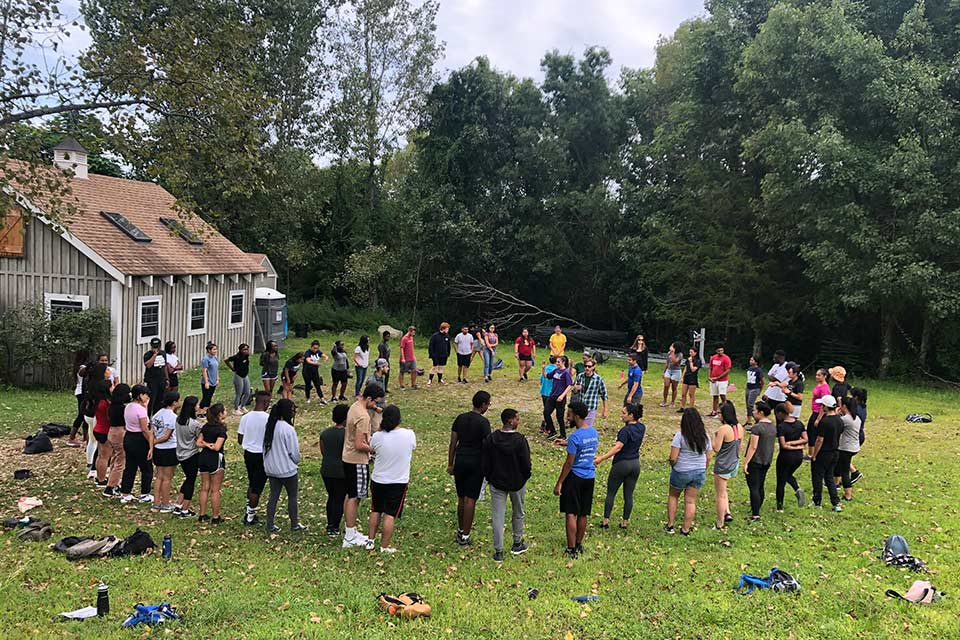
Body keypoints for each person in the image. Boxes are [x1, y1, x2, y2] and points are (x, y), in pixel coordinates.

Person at [481, 408, 531, 562]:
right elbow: (526, 464)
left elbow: (485, 461)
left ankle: (499, 551)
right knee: (518, 512)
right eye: (517, 418)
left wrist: (490, 477)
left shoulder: (492, 438)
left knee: (498, 517)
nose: (518, 421)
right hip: (517, 482)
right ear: (510, 420)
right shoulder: (520, 440)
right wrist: (524, 477)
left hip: (497, 482)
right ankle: (517, 543)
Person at [366, 405, 417, 552]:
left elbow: (373, 447)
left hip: (378, 479)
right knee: (390, 514)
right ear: (399, 419)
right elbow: (413, 447)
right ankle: (384, 546)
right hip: (398, 481)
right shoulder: (409, 435)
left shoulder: (377, 436)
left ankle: (370, 541)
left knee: (376, 510)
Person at [341, 383, 384, 548]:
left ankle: (350, 531)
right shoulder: (363, 416)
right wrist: (374, 449)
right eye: (375, 402)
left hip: (348, 457)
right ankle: (350, 538)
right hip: (357, 460)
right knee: (355, 497)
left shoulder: (354, 406)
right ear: (369, 398)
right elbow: (360, 444)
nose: (376, 406)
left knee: (350, 494)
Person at [554, 401, 597, 558]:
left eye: (569, 414)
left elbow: (570, 462)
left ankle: (571, 549)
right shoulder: (593, 432)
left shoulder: (575, 436)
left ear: (577, 416)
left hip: (574, 478)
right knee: (583, 513)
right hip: (589, 477)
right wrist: (567, 443)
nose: (567, 417)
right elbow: (583, 448)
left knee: (571, 513)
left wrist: (560, 482)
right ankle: (579, 544)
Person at [448, 390, 492, 546]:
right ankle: (465, 536)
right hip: (476, 462)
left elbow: (453, 442)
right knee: (470, 499)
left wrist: (450, 463)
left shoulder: (460, 418)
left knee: (461, 498)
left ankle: (460, 529)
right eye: (488, 404)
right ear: (482, 405)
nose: (488, 406)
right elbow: (488, 446)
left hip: (460, 460)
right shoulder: (483, 423)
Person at [594, 403, 645, 530]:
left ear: (631, 416)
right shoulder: (642, 427)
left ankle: (605, 521)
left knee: (611, 493)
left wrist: (601, 458)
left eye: (623, 413)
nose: (621, 415)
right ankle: (625, 522)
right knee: (629, 495)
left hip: (622, 464)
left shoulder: (625, 430)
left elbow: (618, 447)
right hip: (635, 464)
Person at [666, 408, 712, 535]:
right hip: (699, 471)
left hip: (681, 470)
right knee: (690, 500)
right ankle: (685, 529)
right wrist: (703, 468)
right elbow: (708, 457)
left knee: (673, 496)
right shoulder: (705, 436)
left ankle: (670, 525)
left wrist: (673, 466)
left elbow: (673, 457)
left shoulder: (680, 436)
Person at [263, 399, 305, 533]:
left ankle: (270, 524)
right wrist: (296, 461)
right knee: (292, 496)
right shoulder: (288, 429)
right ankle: (294, 524)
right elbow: (293, 452)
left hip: (271, 468)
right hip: (286, 469)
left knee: (273, 495)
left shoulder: (270, 425)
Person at [237, 390, 271, 526]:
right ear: (265, 402)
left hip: (248, 453)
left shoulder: (245, 417)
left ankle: (248, 507)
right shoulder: (268, 419)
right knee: (257, 486)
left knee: (252, 481)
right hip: (261, 455)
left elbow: (240, 439)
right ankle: (250, 516)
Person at [120, 384, 155, 504]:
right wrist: (151, 445)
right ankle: (145, 493)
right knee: (146, 468)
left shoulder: (128, 406)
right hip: (139, 439)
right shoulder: (140, 410)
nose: (147, 397)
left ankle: (125, 493)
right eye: (146, 395)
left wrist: (146, 406)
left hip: (129, 437)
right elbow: (145, 429)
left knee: (130, 467)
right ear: (140, 395)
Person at [742, 401, 777, 521]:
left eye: (755, 410)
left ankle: (755, 514)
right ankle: (757, 507)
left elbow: (753, 446)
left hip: (755, 460)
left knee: (754, 487)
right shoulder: (773, 426)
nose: (753, 412)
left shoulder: (757, 428)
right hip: (766, 460)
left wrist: (746, 462)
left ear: (761, 412)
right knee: (760, 485)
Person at [711, 401, 741, 529]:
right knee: (724, 490)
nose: (718, 415)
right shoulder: (739, 427)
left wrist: (714, 436)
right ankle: (727, 512)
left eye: (719, 413)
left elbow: (716, 448)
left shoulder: (723, 429)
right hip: (734, 462)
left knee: (720, 494)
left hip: (723, 465)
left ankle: (720, 522)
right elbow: (740, 446)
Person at [320, 404, 349, 536]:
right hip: (341, 471)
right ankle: (334, 526)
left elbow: (323, 451)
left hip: (326, 469)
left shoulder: (325, 433)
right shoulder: (347, 435)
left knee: (331, 497)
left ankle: (330, 523)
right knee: (339, 498)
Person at [810, 395, 842, 511]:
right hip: (835, 452)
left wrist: (814, 455)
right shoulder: (839, 420)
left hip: (824, 453)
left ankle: (817, 501)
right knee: (829, 477)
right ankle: (835, 502)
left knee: (817, 476)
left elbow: (820, 440)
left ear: (826, 407)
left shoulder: (825, 422)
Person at [197, 403, 227, 523]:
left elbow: (198, 443)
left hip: (203, 457)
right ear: (220, 414)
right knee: (215, 489)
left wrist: (205, 444)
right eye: (224, 411)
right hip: (215, 459)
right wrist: (211, 445)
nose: (226, 412)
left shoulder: (206, 427)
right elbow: (217, 447)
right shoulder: (221, 430)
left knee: (204, 488)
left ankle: (202, 514)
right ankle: (216, 516)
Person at [774, 402, 807, 512]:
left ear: (780, 413)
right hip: (798, 457)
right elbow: (805, 439)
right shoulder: (799, 424)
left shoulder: (781, 427)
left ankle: (779, 507)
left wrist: (791, 444)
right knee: (788, 475)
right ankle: (797, 489)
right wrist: (798, 446)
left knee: (781, 481)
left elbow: (783, 445)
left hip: (785, 457)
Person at [150, 392, 180, 513]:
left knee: (159, 477)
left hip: (159, 450)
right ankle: (166, 503)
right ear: (174, 402)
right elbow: (167, 436)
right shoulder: (172, 417)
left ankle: (156, 503)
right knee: (167, 478)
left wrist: (153, 444)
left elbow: (152, 431)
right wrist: (156, 442)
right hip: (169, 449)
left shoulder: (157, 414)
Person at [173, 396, 202, 518]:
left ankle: (178, 504)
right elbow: (198, 438)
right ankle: (185, 509)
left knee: (187, 478)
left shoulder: (179, 420)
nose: (198, 407)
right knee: (191, 480)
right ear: (193, 407)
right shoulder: (195, 424)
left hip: (180, 453)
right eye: (197, 405)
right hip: (191, 454)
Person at [99, 383, 130, 497]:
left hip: (111, 432)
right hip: (119, 433)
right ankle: (111, 486)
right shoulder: (122, 408)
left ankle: (113, 482)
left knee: (115, 458)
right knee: (121, 461)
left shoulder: (111, 406)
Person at [835, 396, 862, 502]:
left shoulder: (845, 419)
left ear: (844, 406)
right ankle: (835, 485)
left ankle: (848, 495)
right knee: (839, 466)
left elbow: (837, 426)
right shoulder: (856, 418)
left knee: (845, 471)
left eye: (840, 404)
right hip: (854, 446)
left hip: (846, 448)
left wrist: (836, 414)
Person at [544, 356, 573, 441]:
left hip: (560, 398)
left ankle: (563, 435)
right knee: (546, 412)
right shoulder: (556, 370)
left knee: (559, 417)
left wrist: (562, 395)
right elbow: (547, 376)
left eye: (558, 362)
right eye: (556, 362)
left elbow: (569, 385)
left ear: (563, 362)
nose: (557, 363)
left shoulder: (566, 372)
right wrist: (543, 369)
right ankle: (552, 431)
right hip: (552, 396)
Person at [573, 358, 608, 428]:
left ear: (593, 367)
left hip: (591, 407)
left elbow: (604, 395)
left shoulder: (598, 379)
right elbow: (574, 391)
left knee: (586, 427)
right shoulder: (580, 376)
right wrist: (575, 388)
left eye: (589, 366)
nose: (587, 368)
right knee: (579, 427)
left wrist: (605, 410)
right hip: (581, 407)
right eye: (585, 366)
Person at [807, 368, 831, 458]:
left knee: (812, 431)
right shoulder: (819, 385)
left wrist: (818, 418)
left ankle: (811, 454)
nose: (817, 377)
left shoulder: (825, 388)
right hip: (814, 411)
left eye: (819, 375)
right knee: (810, 431)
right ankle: (811, 452)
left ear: (825, 376)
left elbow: (824, 404)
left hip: (818, 413)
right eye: (816, 375)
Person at [224, 343, 252, 416]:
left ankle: (242, 406)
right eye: (244, 350)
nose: (246, 351)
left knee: (247, 392)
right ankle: (236, 409)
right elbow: (226, 360)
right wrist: (232, 368)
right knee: (238, 393)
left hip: (245, 375)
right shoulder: (236, 357)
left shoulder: (246, 356)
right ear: (240, 350)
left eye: (247, 349)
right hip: (238, 376)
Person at [143, 337, 168, 416]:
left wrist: (167, 378)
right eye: (154, 347)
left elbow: (164, 366)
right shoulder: (147, 355)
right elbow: (148, 365)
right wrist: (154, 355)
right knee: (151, 399)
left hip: (161, 379)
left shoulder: (163, 353)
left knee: (160, 399)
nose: (156, 348)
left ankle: (157, 415)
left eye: (157, 347)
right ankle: (148, 415)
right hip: (152, 380)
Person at [707, 344, 732, 418]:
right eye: (719, 350)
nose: (720, 352)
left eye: (722, 350)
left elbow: (728, 370)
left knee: (722, 395)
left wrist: (718, 377)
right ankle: (714, 411)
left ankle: (726, 411)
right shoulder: (713, 358)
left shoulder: (726, 358)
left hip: (722, 380)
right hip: (713, 380)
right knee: (715, 395)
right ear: (716, 351)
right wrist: (709, 376)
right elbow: (710, 367)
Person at [301, 340, 329, 405]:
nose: (315, 350)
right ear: (311, 347)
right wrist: (316, 364)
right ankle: (308, 398)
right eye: (314, 348)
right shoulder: (307, 353)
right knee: (308, 385)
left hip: (315, 372)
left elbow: (323, 355)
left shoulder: (318, 352)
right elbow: (308, 361)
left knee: (317, 385)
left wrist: (326, 357)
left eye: (317, 348)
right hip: (307, 372)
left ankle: (322, 399)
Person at [538, 356, 558, 434]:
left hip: (544, 392)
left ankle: (544, 425)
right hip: (552, 393)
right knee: (549, 411)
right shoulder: (557, 370)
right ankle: (546, 426)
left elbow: (541, 379)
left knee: (546, 409)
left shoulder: (546, 368)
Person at [679, 347, 702, 412]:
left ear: (695, 353)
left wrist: (691, 362)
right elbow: (686, 368)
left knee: (691, 394)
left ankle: (690, 408)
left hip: (693, 378)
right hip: (686, 377)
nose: (690, 353)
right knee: (683, 393)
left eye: (691, 352)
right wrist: (682, 377)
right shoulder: (688, 360)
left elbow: (693, 369)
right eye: (689, 352)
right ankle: (682, 407)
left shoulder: (698, 361)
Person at [660, 342, 682, 407]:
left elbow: (675, 361)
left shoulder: (680, 354)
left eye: (672, 346)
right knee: (666, 385)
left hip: (676, 371)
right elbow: (667, 363)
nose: (671, 347)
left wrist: (672, 352)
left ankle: (672, 402)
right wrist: (664, 372)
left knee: (674, 388)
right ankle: (664, 400)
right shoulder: (669, 353)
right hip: (669, 370)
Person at [199, 342, 219, 414]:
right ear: (209, 350)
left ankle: (207, 411)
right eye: (214, 349)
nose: (215, 351)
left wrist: (217, 379)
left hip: (213, 381)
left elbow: (216, 369)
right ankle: (200, 411)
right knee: (206, 397)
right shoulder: (205, 359)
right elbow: (204, 371)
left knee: (210, 396)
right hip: (207, 381)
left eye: (216, 349)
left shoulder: (215, 357)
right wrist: (206, 382)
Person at [744, 355, 764, 426]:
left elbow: (762, 381)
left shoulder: (758, 370)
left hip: (755, 388)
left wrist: (760, 390)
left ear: (756, 362)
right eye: (750, 360)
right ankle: (748, 420)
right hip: (748, 388)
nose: (750, 361)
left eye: (752, 360)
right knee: (747, 405)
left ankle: (757, 419)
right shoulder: (749, 369)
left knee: (750, 405)